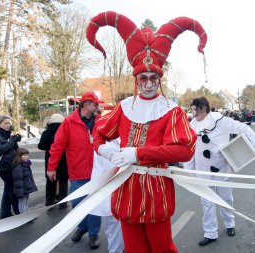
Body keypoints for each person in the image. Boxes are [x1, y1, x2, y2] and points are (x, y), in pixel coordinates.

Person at [87, 11, 206, 253]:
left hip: (156, 193)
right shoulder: (123, 108)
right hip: (127, 191)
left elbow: (184, 151)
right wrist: (106, 152)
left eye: (154, 78)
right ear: (136, 79)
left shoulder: (171, 110)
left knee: (162, 249)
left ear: (159, 78)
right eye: (144, 77)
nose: (149, 83)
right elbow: (98, 134)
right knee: (133, 250)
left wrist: (139, 153)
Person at [184, 97, 255, 246]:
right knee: (207, 202)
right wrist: (188, 170)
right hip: (203, 172)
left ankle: (230, 224)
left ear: (203, 108)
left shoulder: (221, 121)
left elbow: (244, 128)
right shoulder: (191, 125)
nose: (193, 113)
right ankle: (210, 233)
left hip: (222, 168)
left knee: (226, 199)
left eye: (195, 110)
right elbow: (188, 148)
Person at [47, 91, 103, 250]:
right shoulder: (69, 122)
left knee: (94, 205)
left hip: (97, 173)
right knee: (78, 204)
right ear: (85, 105)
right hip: (77, 172)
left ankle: (93, 234)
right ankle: (83, 226)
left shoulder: (100, 121)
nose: (97, 106)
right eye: (95, 104)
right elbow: (57, 146)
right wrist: (51, 167)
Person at [0, 115, 21, 219]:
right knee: (10, 189)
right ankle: (15, 212)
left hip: (12, 165)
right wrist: (11, 141)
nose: (8, 125)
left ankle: (5, 213)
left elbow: (14, 149)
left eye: (9, 123)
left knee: (8, 189)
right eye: (5, 123)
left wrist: (16, 141)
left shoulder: (8, 134)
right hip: (3, 167)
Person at [38, 113, 69, 209]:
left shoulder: (46, 132)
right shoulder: (65, 130)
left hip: (50, 158)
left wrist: (49, 146)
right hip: (64, 158)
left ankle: (49, 202)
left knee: (50, 181)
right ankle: (63, 203)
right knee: (63, 181)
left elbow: (41, 146)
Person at [12, 148, 38, 214]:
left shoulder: (25, 165)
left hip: (26, 187)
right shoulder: (18, 167)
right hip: (22, 189)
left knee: (26, 201)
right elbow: (18, 180)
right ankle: (24, 215)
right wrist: (20, 191)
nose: (27, 156)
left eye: (27, 155)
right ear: (19, 156)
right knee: (22, 202)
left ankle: (27, 213)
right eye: (24, 155)